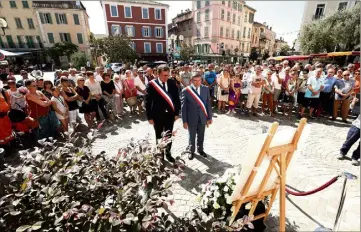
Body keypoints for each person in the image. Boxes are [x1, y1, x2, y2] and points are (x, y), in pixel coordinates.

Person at [145, 65, 181, 163]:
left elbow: (176, 99)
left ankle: (168, 154)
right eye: (164, 75)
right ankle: (160, 155)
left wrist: (177, 112)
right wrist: (149, 117)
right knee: (159, 136)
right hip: (157, 115)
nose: (166, 77)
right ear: (158, 74)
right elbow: (147, 102)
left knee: (169, 135)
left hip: (170, 115)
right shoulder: (152, 85)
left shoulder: (172, 83)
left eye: (167, 75)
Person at [182, 72, 213, 160]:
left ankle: (200, 150)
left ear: (201, 80)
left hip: (202, 117)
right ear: (191, 80)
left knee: (201, 134)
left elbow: (208, 104)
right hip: (191, 118)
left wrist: (209, 117)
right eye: (195, 81)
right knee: (191, 136)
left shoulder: (205, 89)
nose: (197, 82)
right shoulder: (186, 90)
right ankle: (191, 151)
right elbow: (183, 107)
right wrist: (184, 121)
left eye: (199, 80)